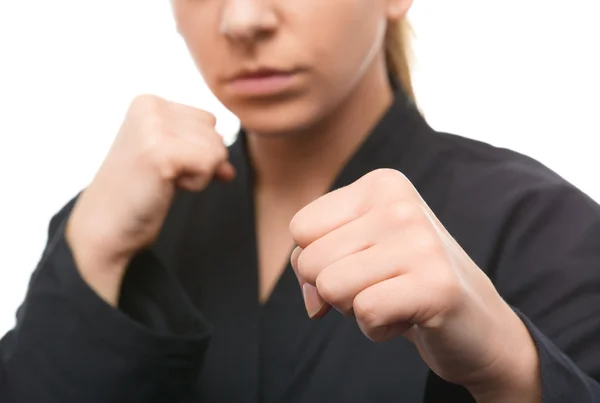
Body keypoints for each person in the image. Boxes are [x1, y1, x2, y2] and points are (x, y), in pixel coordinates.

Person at [1, 0, 599, 402]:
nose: (242, 18)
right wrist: (89, 250)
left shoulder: (546, 228)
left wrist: (510, 368)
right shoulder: (115, 227)